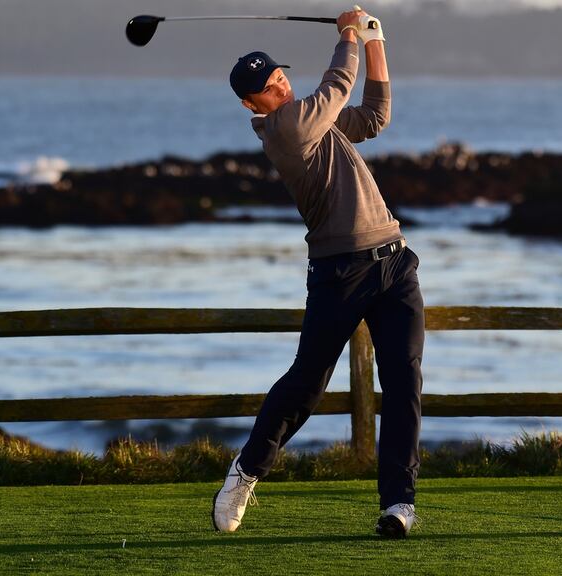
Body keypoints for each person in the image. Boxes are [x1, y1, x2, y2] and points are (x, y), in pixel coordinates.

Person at [212, 7, 424, 539]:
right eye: (268, 88)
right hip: (340, 272)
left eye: (280, 77)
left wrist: (375, 41)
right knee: (308, 385)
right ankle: (247, 470)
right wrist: (348, 32)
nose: (281, 88)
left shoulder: (313, 116)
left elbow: (373, 118)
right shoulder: (285, 129)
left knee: (404, 382)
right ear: (251, 104)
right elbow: (338, 84)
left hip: (394, 262)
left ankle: (398, 503)